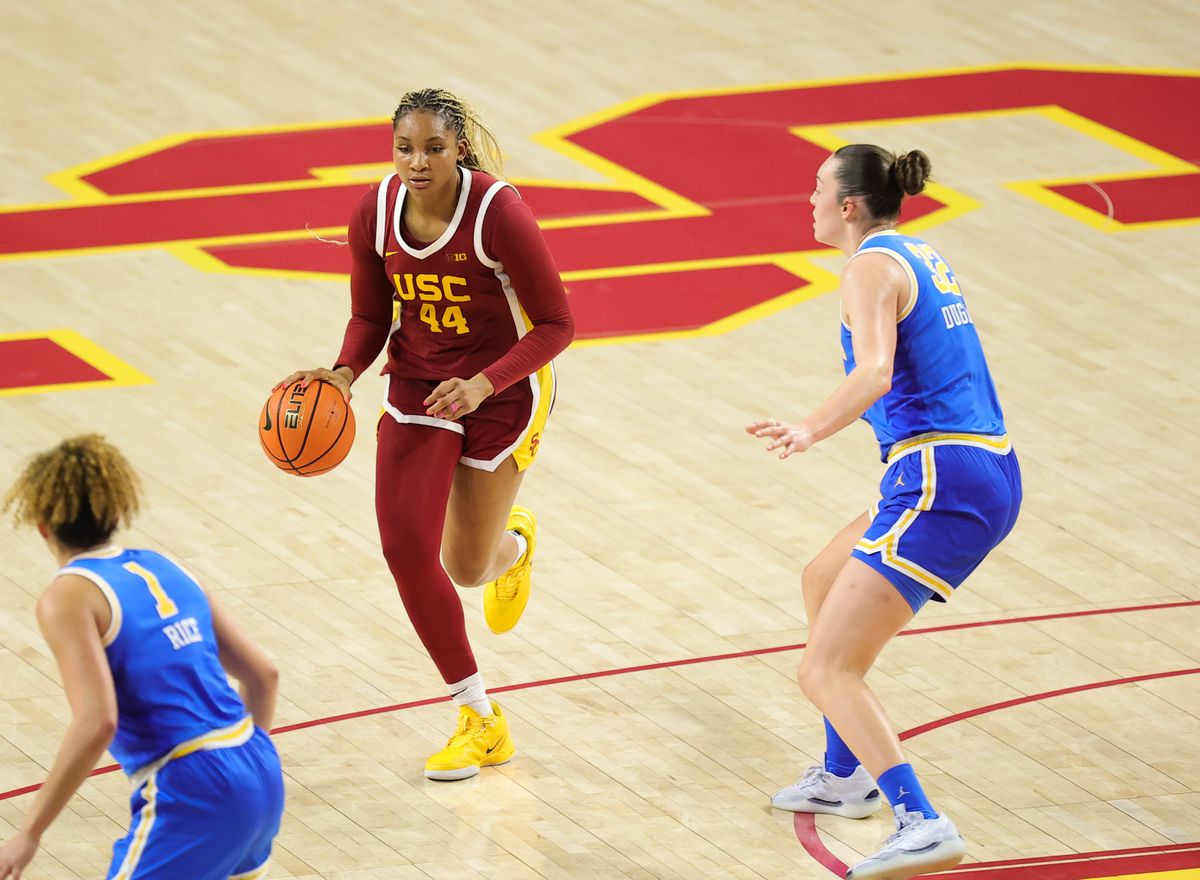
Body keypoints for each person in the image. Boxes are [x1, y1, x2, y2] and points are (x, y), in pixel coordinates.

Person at [276, 88, 574, 781]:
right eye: (405, 148)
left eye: (433, 148)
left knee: (468, 567)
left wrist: (484, 384)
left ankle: (515, 541)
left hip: (503, 387)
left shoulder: (499, 214)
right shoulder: (374, 212)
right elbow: (369, 316)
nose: (417, 162)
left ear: (459, 148)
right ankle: (479, 718)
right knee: (406, 547)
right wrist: (344, 373)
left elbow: (558, 324)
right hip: (419, 386)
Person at [747, 145, 1022, 880]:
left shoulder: (867, 267)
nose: (806, 199)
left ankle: (920, 820)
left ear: (848, 207)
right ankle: (846, 776)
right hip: (965, 466)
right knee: (821, 579)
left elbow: (873, 370)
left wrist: (809, 427)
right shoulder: (915, 253)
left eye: (816, 189)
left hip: (943, 478)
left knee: (825, 668)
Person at [0, 435, 284, 879]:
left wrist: (28, 833)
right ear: (116, 512)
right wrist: (242, 772)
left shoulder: (70, 594)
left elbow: (97, 721)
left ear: (42, 524)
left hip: (192, 783)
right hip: (259, 766)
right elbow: (264, 675)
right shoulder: (167, 567)